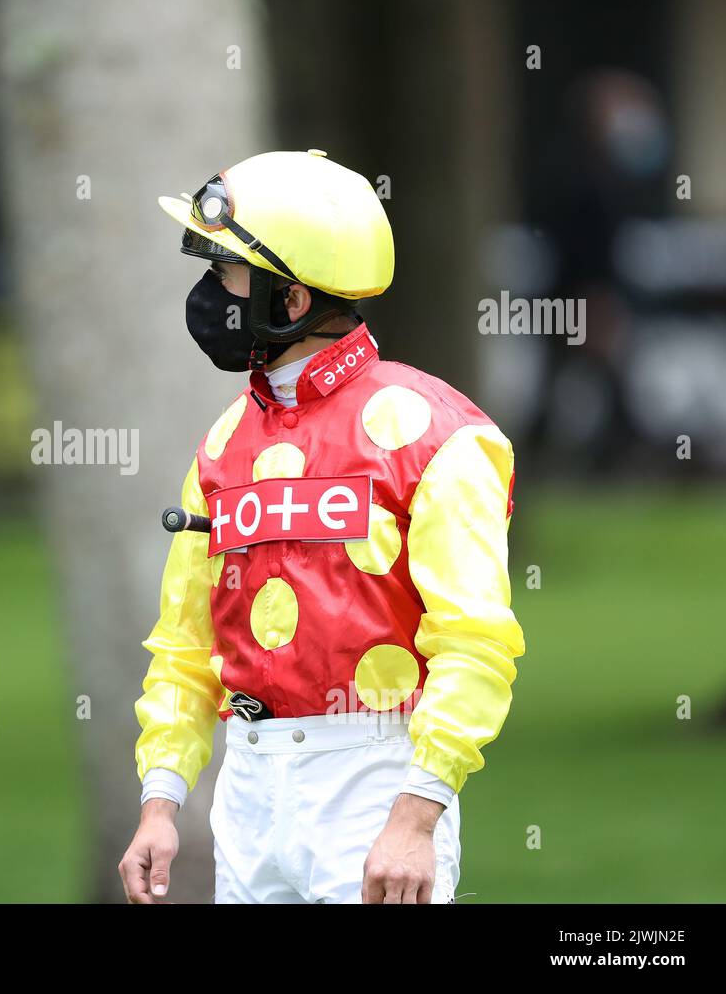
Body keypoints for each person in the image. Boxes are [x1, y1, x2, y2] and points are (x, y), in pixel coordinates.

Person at [118, 149, 526, 904]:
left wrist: (415, 817)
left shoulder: (440, 434)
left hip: (377, 782)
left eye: (225, 275)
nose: (208, 295)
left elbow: (476, 642)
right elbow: (184, 647)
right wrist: (162, 801)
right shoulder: (220, 443)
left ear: (292, 299)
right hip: (246, 785)